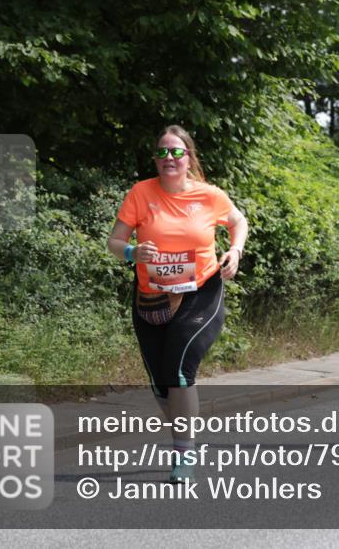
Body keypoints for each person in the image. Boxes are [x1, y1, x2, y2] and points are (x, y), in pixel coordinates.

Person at [107, 124, 247, 482]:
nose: (168, 157)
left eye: (176, 152)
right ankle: (186, 434)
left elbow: (238, 221)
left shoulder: (209, 195)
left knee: (180, 369)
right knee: (160, 382)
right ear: (156, 158)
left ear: (188, 157)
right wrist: (132, 251)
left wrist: (235, 250)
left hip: (201, 291)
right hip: (152, 295)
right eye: (162, 152)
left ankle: (183, 452)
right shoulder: (141, 193)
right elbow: (114, 241)